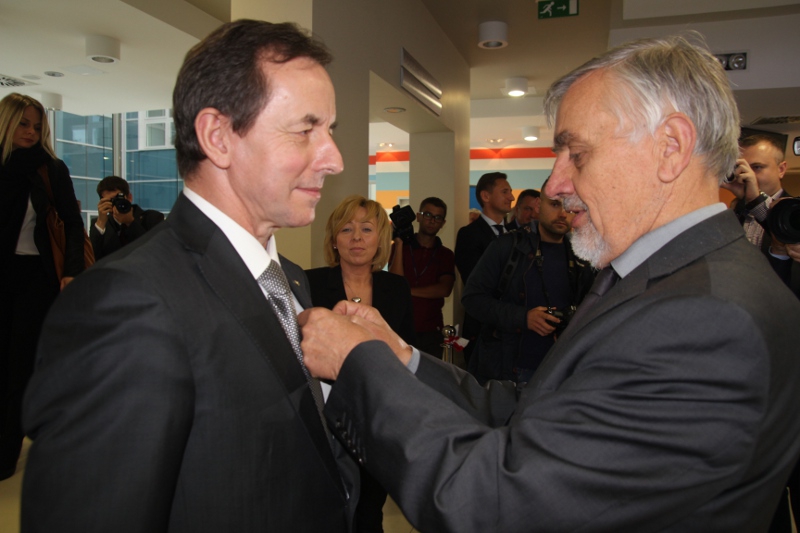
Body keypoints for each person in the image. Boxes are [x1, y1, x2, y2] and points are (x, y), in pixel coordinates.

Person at [298, 34, 800, 532]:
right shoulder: (672, 281)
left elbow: (500, 505)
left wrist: (358, 365)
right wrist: (400, 357)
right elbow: (534, 413)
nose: (556, 185)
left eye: (576, 154)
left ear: (670, 147)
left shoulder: (707, 319)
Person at [22, 20, 359, 532]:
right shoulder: (127, 304)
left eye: (330, 130)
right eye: (305, 130)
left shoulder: (287, 279)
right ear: (218, 137)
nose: (334, 158)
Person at [306, 194, 415, 533]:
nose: (356, 238)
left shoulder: (396, 288)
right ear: (333, 240)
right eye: (347, 229)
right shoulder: (309, 283)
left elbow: (406, 351)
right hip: (323, 418)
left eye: (366, 229)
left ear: (381, 239)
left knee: (369, 513)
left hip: (377, 418)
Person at [0, 93, 86, 481]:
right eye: (23, 124)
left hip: (36, 278)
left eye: (37, 126)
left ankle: (7, 450)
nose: (31, 132)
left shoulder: (51, 169)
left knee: (20, 364)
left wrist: (71, 271)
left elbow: (72, 223)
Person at [462, 180, 594, 383]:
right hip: (508, 370)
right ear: (539, 206)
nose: (562, 213)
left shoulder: (581, 258)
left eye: (570, 207)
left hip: (560, 371)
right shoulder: (507, 246)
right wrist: (523, 317)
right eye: (555, 204)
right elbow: (472, 299)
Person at [455, 172, 514, 364]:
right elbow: (476, 280)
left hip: (513, 327)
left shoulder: (516, 235)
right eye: (505, 192)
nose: (511, 197)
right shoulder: (469, 234)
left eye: (510, 192)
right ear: (486, 196)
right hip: (481, 327)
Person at [389, 197, 455, 357]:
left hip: (431, 330)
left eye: (437, 217)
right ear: (418, 216)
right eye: (428, 215)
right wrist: (399, 243)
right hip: (400, 326)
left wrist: (408, 290)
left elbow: (444, 289)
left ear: (443, 223)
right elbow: (395, 282)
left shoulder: (445, 254)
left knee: (429, 373)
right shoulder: (400, 248)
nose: (432, 221)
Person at [724, 133, 789, 255]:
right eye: (741, 167)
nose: (747, 174)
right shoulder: (737, 209)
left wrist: (756, 200)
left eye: (757, 167)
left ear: (781, 170)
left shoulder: (794, 210)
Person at [90, 175, 164, 260]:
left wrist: (131, 222)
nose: (115, 204)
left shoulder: (152, 218)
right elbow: (92, 259)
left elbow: (155, 252)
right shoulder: (100, 225)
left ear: (129, 197)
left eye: (118, 199)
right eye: (110, 201)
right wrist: (101, 223)